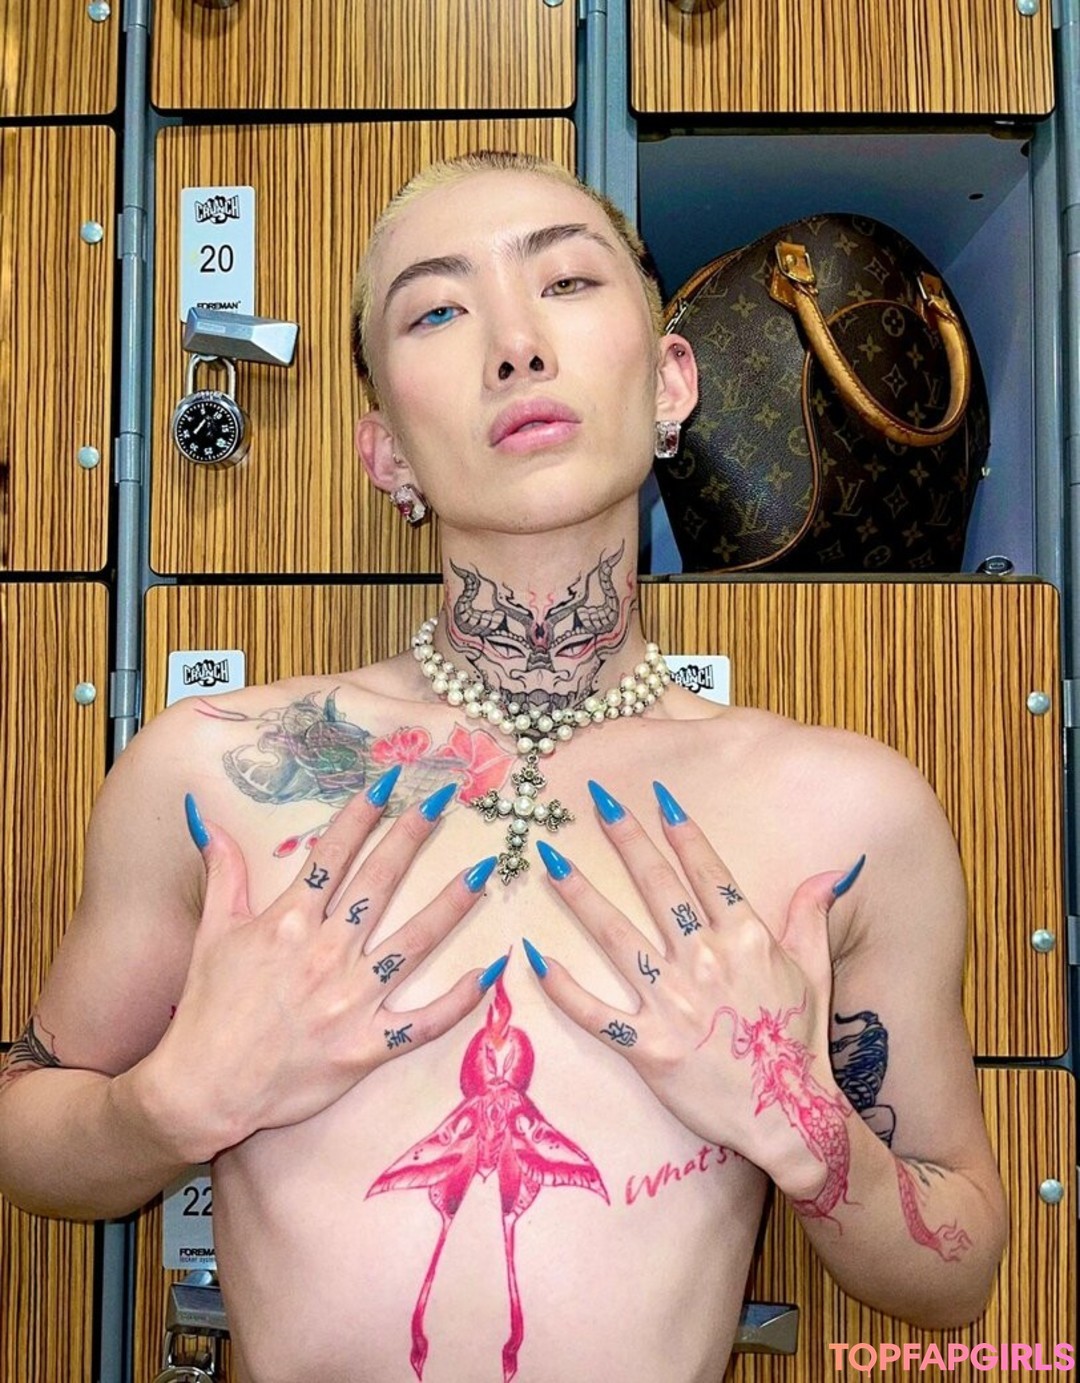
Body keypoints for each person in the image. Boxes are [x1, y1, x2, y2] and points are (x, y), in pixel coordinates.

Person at [0, 152, 1007, 1383]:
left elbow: (960, 1266)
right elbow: (26, 1125)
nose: (516, 346)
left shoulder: (849, 811)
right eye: (437, 309)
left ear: (673, 383)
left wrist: (810, 1135)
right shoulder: (210, 771)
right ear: (387, 455)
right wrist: (169, 1105)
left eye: (568, 283)